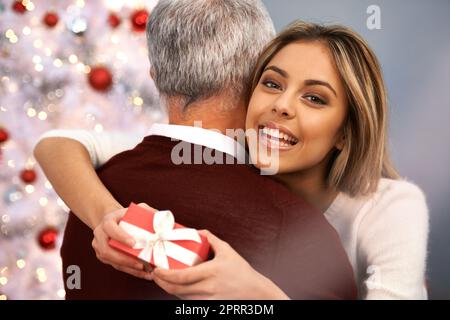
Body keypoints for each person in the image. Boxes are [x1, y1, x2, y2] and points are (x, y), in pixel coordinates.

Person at [34, 1, 357, 300]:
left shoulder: (91, 207)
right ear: (256, 74)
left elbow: (56, 143)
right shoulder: (300, 231)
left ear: (156, 77)